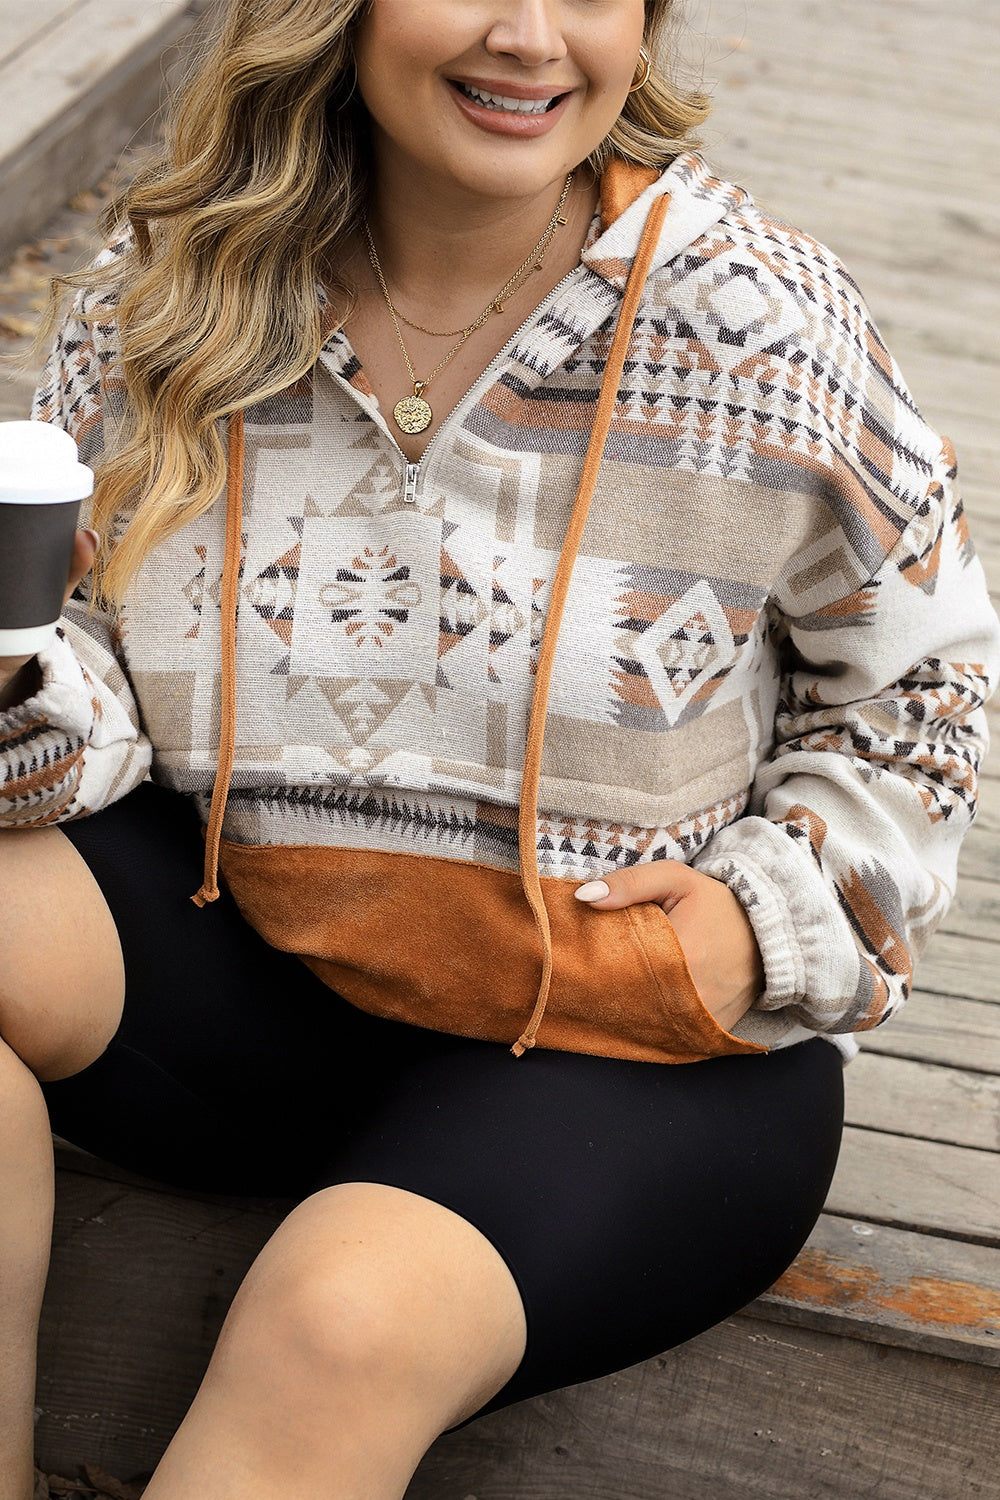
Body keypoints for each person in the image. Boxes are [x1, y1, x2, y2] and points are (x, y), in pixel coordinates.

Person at [1, 0, 997, 1495]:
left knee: (335, 1319)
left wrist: (771, 916)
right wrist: (18, 685)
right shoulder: (169, 294)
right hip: (250, 977)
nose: (532, 35)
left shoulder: (765, 324)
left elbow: (927, 688)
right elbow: (90, 670)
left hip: (618, 1044)